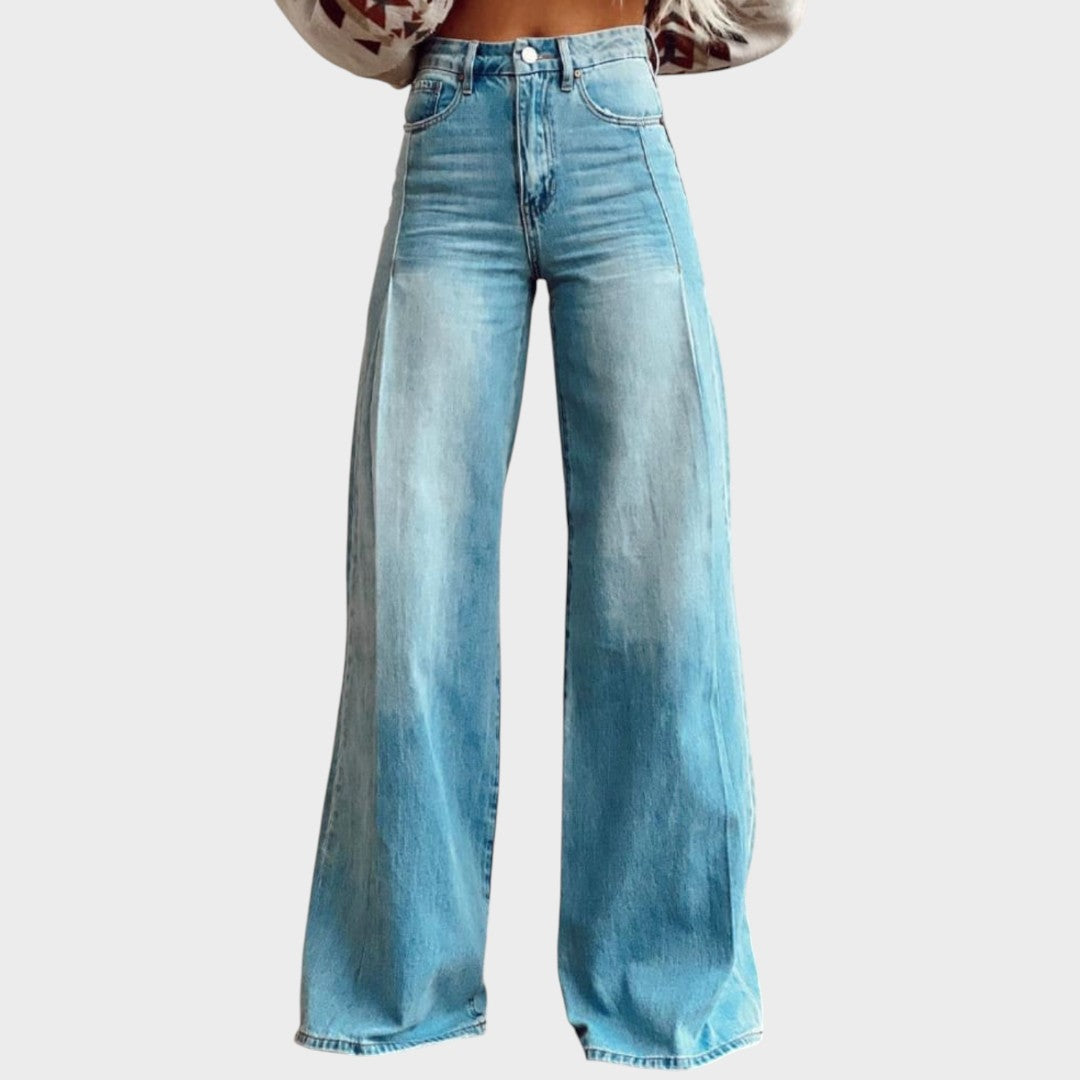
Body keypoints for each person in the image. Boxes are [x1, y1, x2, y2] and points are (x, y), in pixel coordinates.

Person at [275, 0, 804, 1068]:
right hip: (450, 130)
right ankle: (398, 990)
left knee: (662, 586)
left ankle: (663, 996)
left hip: (615, 122)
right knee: (414, 586)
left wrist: (650, 38)